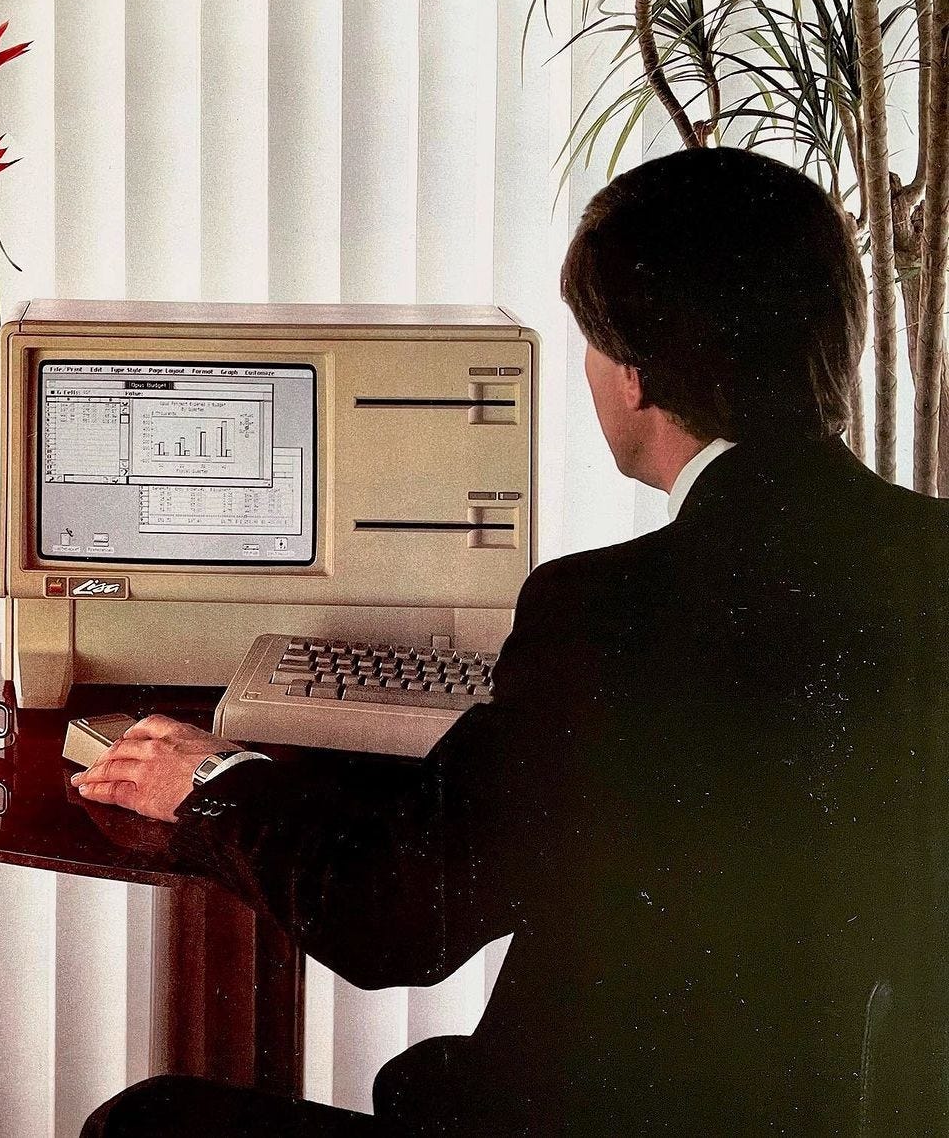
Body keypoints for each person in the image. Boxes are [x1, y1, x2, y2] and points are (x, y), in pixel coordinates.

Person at [78, 147, 949, 1136]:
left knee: (145, 1123)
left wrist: (212, 777)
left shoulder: (608, 610)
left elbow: (396, 919)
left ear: (635, 373)